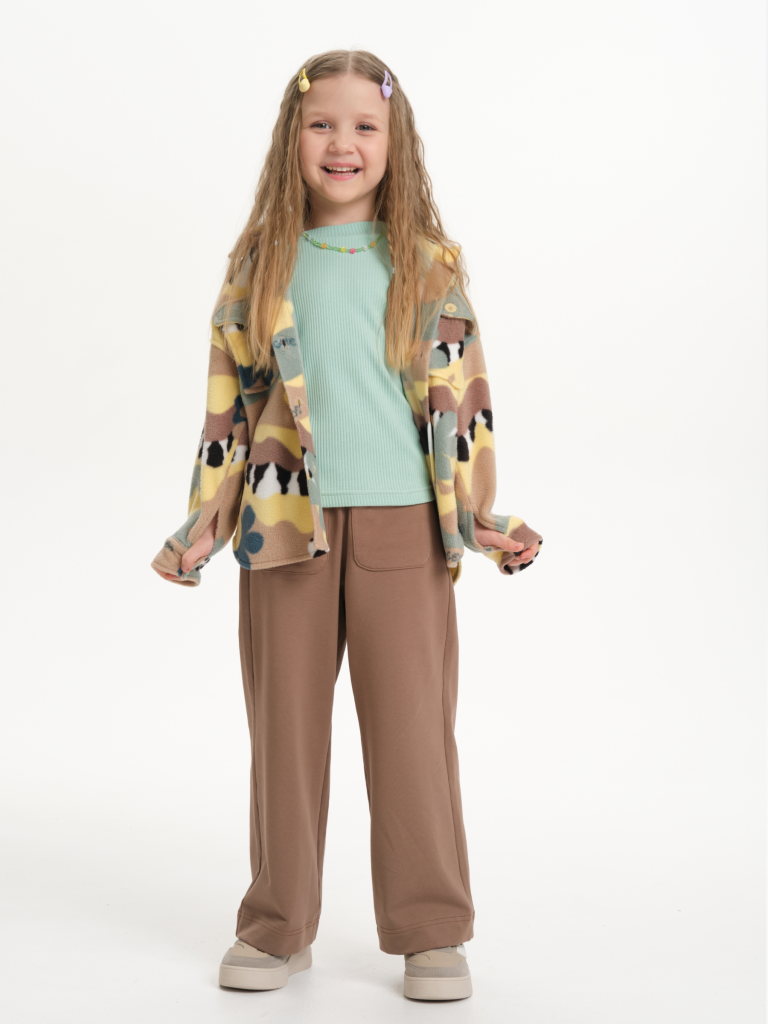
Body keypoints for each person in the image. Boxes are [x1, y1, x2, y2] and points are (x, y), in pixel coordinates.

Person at [150, 49, 544, 1002]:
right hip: (280, 524)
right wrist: (204, 521)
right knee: (284, 737)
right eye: (322, 124)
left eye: (364, 126)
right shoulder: (260, 265)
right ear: (293, 138)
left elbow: (464, 402)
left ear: (394, 142)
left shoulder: (427, 267)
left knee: (413, 737)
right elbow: (229, 410)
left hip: (405, 527)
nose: (342, 143)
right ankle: (277, 925)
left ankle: (431, 930)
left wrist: (481, 517)